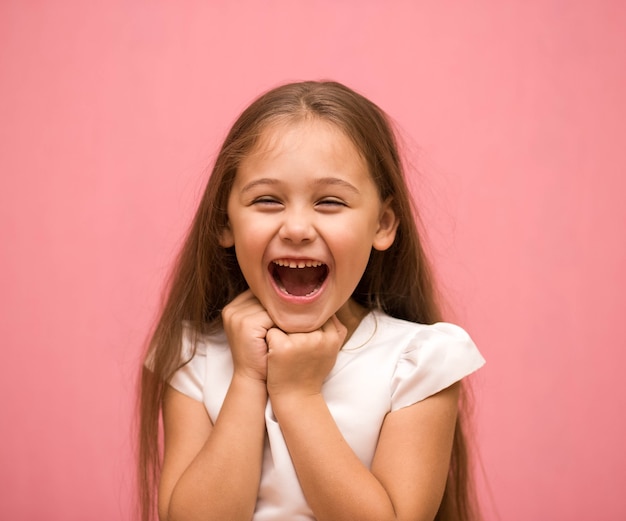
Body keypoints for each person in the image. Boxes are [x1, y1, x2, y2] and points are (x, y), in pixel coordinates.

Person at [138, 80, 485, 521]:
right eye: (267, 200)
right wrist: (247, 377)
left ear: (382, 224)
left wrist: (298, 395)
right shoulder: (194, 357)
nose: (297, 228)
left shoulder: (419, 361)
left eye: (330, 202)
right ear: (225, 223)